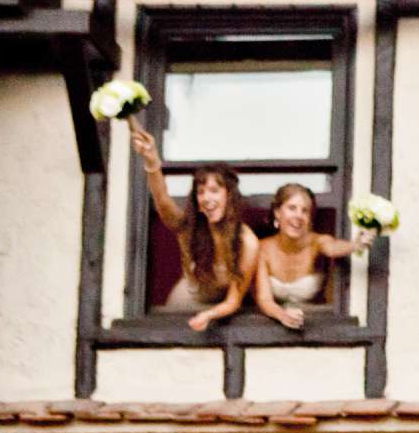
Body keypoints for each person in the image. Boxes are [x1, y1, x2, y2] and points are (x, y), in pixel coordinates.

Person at [129, 123, 255, 332]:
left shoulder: (247, 242)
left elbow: (234, 300)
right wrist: (152, 162)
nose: (207, 198)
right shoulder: (188, 228)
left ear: (229, 195)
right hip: (187, 301)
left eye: (214, 190)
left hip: (225, 310)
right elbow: (162, 199)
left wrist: (209, 314)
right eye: (201, 192)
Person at [252, 182, 371, 330]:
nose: (298, 216)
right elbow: (264, 298)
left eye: (305, 211)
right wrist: (282, 315)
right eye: (292, 208)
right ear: (277, 212)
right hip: (272, 325)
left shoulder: (318, 242)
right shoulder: (262, 248)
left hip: (315, 325)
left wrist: (356, 244)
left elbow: (333, 248)